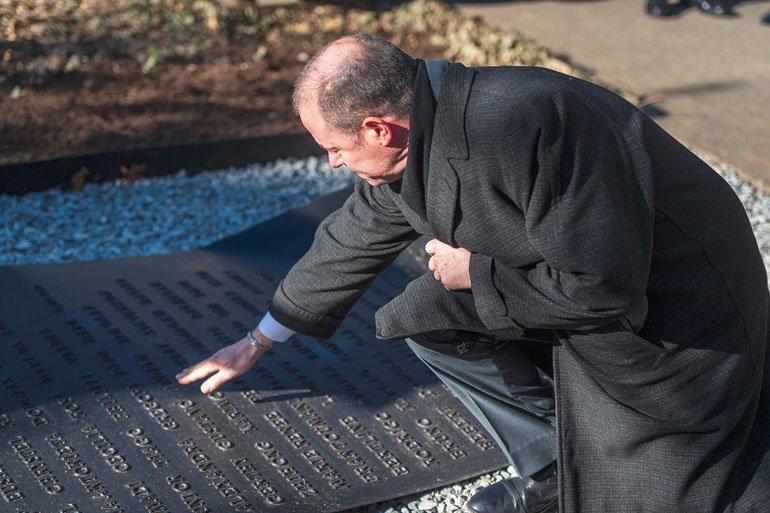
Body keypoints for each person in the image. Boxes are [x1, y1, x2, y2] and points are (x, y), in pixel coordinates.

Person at [176, 33, 769, 513]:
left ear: (379, 128)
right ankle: (550, 466)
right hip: (570, 288)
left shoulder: (527, 124)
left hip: (678, 321)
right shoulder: (424, 127)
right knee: (420, 313)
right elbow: (352, 235)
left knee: (639, 493)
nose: (332, 163)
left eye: (334, 148)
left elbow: (604, 289)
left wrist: (475, 272)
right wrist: (259, 338)